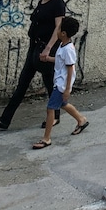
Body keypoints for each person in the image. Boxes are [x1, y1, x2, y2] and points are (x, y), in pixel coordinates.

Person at [0, 0, 66, 131]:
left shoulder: (58, 3)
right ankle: (4, 120)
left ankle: (55, 117)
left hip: (47, 48)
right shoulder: (42, 2)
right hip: (34, 48)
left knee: (50, 84)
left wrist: (49, 48)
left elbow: (58, 27)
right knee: (22, 84)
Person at [32, 16, 89, 149]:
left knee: (50, 109)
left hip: (62, 85)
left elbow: (70, 69)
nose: (56, 31)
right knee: (63, 104)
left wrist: (67, 89)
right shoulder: (62, 46)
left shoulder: (68, 49)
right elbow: (60, 61)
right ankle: (81, 120)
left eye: (58, 29)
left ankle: (46, 138)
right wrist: (48, 59)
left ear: (63, 33)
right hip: (59, 82)